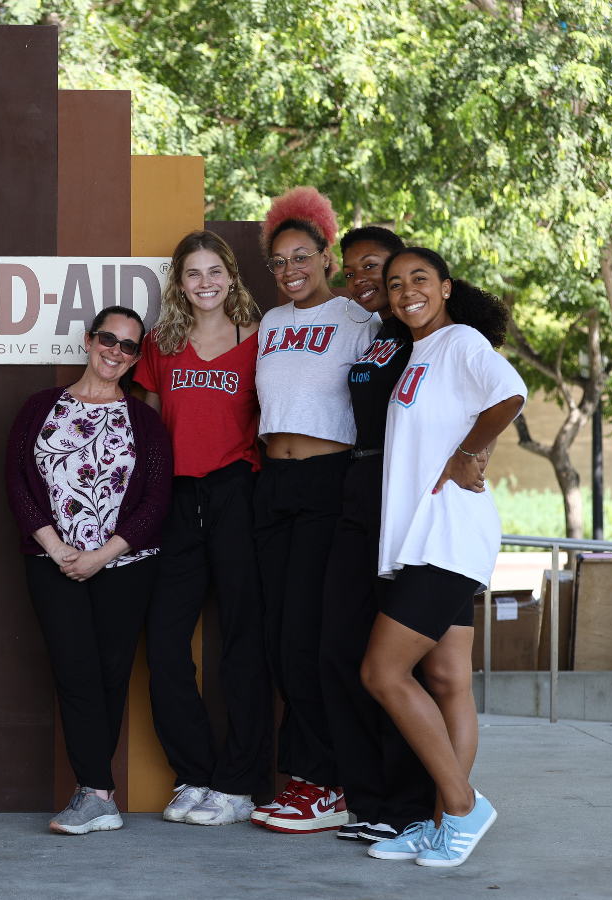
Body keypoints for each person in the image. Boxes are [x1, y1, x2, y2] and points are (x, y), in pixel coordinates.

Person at [361, 247, 525, 867]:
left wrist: (468, 452)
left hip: (449, 538)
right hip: (425, 540)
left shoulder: (459, 342)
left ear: (447, 287)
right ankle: (439, 824)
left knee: (382, 673)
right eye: (395, 284)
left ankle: (461, 807)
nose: (406, 292)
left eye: (420, 280)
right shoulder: (418, 356)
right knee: (449, 680)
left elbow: (510, 393)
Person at [5, 306, 172, 836]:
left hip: (125, 564)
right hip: (50, 562)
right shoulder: (40, 408)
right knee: (74, 669)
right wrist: (58, 550)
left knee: (108, 674)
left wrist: (102, 555)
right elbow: (16, 480)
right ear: (88, 340)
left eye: (129, 347)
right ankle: (97, 792)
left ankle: (95, 794)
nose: (116, 352)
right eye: (108, 339)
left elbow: (156, 499)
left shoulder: (144, 420)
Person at [248, 187, 381, 835]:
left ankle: (327, 783)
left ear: (327, 257)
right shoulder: (271, 325)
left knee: (308, 637)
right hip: (273, 486)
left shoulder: (360, 322)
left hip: (330, 485)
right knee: (278, 637)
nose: (290, 269)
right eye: (278, 261)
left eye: (302, 256)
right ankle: (304, 779)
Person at [132, 231, 271, 826]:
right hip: (178, 498)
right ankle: (193, 775)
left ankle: (239, 785)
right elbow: (151, 431)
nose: (206, 282)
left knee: (244, 643)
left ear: (231, 276)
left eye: (215, 271)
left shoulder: (259, 342)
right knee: (165, 645)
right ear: (179, 283)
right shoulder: (161, 344)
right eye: (193, 273)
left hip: (238, 493)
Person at [318, 226, 438, 843]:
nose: (363, 280)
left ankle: (410, 807)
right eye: (354, 271)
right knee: (338, 648)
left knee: (396, 663)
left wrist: (474, 455)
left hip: (402, 497)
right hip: (356, 490)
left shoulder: (428, 337)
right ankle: (366, 801)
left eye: (377, 268)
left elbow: (488, 397)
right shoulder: (374, 339)